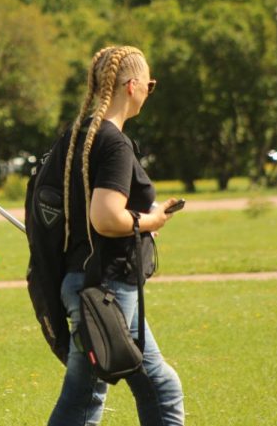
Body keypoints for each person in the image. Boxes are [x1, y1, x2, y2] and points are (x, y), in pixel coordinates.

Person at [48, 46, 185, 425]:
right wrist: (152, 220)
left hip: (86, 280)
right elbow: (106, 217)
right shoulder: (114, 144)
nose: (148, 92)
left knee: (145, 387)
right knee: (91, 397)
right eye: (150, 85)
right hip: (107, 287)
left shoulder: (76, 139)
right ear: (132, 85)